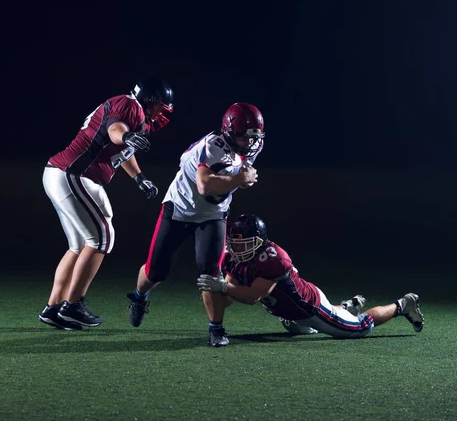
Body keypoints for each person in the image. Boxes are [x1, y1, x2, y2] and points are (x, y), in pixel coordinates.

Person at [39, 78, 174, 330]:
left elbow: (122, 150)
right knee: (101, 238)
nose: (162, 113)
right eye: (161, 107)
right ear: (150, 100)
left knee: (80, 246)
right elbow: (115, 132)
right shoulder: (129, 105)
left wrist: (139, 178)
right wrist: (127, 135)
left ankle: (54, 308)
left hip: (66, 174)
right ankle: (73, 305)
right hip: (74, 174)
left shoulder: (136, 117)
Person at [126, 103, 265, 332]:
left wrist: (242, 176)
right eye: (243, 137)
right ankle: (140, 296)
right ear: (229, 133)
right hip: (180, 209)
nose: (249, 143)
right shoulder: (213, 146)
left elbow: (240, 167)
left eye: (253, 137)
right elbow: (204, 185)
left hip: (213, 214)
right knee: (156, 271)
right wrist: (240, 180)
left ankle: (216, 328)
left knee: (210, 274)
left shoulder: (252, 144)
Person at [197, 214, 425, 347]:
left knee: (359, 328)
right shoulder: (233, 258)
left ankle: (402, 305)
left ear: (259, 243)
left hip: (309, 308)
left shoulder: (273, 258)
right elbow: (230, 296)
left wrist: (223, 286)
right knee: (295, 329)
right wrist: (216, 291)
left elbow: (252, 296)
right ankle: (345, 307)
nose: (237, 249)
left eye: (244, 244)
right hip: (288, 313)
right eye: (235, 244)